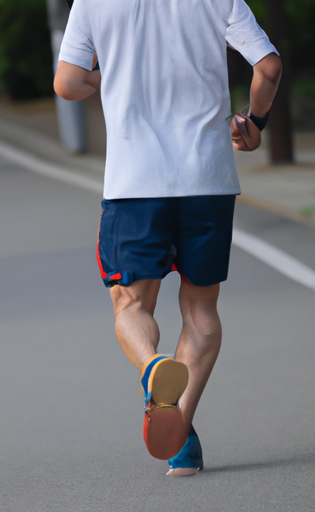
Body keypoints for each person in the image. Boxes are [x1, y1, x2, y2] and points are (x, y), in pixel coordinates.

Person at [54, 0, 281, 476]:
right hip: (209, 179)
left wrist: (107, 78)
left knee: (130, 306)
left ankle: (154, 368)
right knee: (201, 312)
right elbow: (269, 67)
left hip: (136, 183)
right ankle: (181, 439)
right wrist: (255, 121)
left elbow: (67, 83)